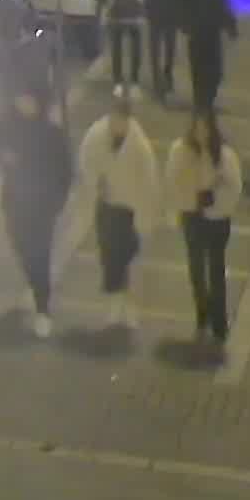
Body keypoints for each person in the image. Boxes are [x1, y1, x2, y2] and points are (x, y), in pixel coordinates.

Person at [0, 85, 75, 339]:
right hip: (15, 205)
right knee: (23, 251)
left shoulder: (52, 135)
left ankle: (43, 309)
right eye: (20, 98)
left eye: (27, 98)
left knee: (40, 257)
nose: (22, 103)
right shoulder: (10, 130)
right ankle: (35, 289)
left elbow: (65, 172)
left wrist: (56, 202)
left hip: (41, 208)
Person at [75, 86, 164, 325]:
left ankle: (129, 305)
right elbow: (86, 162)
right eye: (114, 118)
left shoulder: (139, 145)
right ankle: (115, 303)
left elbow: (149, 180)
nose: (116, 124)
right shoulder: (96, 135)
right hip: (106, 204)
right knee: (109, 255)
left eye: (121, 119)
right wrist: (95, 186)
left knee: (128, 256)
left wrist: (146, 215)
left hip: (129, 208)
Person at [162, 110, 241, 350]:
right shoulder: (180, 152)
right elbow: (172, 181)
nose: (201, 134)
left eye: (205, 129)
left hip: (217, 220)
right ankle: (202, 312)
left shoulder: (225, 156)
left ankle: (219, 322)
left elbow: (234, 187)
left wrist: (214, 198)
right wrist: (189, 199)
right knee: (196, 269)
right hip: (192, 217)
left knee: (216, 270)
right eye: (197, 129)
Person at [177, 0, 237, 115]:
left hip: (213, 32)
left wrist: (230, 26)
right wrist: (185, 25)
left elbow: (224, 6)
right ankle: (201, 102)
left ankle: (207, 100)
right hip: (197, 33)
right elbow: (181, 7)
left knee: (215, 71)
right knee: (198, 69)